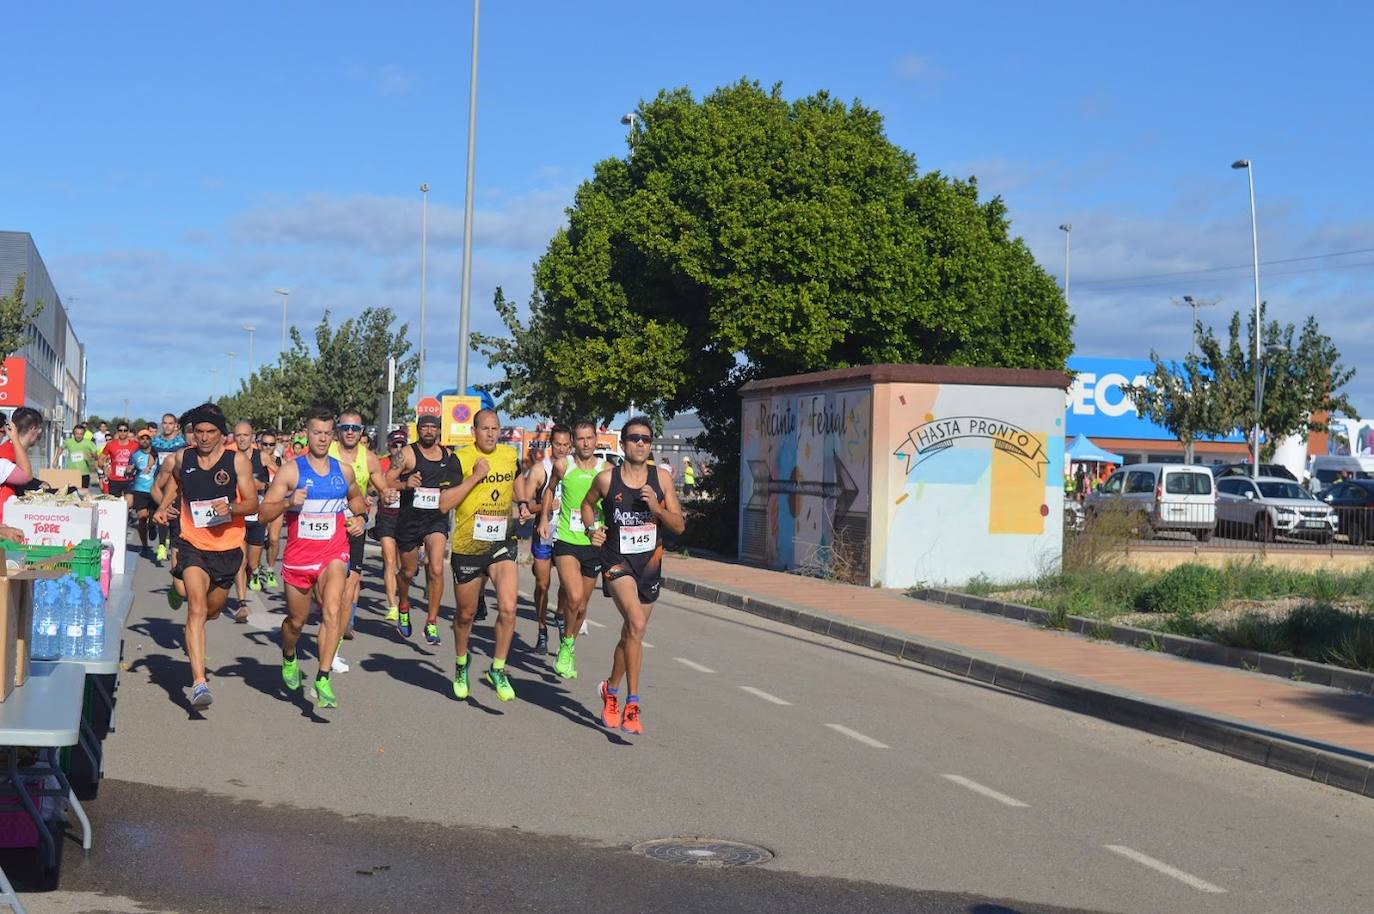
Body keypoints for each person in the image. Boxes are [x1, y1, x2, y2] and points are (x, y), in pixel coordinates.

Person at [256, 406, 367, 710]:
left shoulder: (342, 471)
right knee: (296, 621)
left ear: (332, 436)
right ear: (307, 433)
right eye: (316, 432)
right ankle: (289, 656)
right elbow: (264, 513)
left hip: (333, 553)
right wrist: (289, 501)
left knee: (332, 610)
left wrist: (360, 517)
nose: (321, 438)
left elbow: (357, 498)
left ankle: (322, 676)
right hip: (298, 558)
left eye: (326, 433)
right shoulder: (292, 470)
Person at [152, 403, 259, 711]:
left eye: (211, 432)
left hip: (226, 549)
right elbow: (173, 489)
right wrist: (163, 509)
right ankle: (199, 683)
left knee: (212, 611)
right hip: (192, 544)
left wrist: (231, 509)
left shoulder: (236, 461)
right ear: (192, 433)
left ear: (221, 434)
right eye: (199, 431)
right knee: (196, 610)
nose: (204, 437)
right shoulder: (182, 458)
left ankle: (178, 589)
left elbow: (251, 503)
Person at [587, 417, 686, 735]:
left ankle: (609, 691)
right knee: (637, 624)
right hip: (616, 561)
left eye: (646, 438)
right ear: (622, 443)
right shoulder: (606, 479)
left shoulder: (662, 479)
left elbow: (679, 526)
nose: (641, 443)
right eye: (634, 438)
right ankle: (632, 704)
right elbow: (587, 505)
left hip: (650, 564)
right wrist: (593, 530)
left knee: (632, 633)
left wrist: (657, 509)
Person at [444, 409, 520, 701]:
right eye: (485, 428)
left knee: (509, 608)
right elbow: (444, 504)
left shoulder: (510, 456)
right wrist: (475, 477)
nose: (490, 433)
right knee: (465, 615)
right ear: (473, 431)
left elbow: (519, 488)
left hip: (502, 543)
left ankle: (498, 668)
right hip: (468, 545)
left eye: (495, 428)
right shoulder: (460, 459)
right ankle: (461, 663)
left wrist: (531, 497)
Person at [540, 420, 608, 681]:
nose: (586, 443)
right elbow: (549, 490)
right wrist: (545, 519)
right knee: (575, 595)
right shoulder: (563, 465)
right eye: (580, 439)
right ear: (574, 442)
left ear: (596, 439)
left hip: (594, 543)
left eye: (590, 438)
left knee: (581, 608)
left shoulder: (606, 470)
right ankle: (567, 647)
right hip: (567, 540)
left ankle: (567, 646)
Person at [385, 414, 461, 642]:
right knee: (408, 572)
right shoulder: (406, 454)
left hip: (436, 520)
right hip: (409, 519)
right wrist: (405, 484)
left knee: (437, 568)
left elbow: (456, 487)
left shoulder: (449, 456)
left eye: (433, 427)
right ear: (418, 430)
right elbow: (387, 479)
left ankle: (431, 622)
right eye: (424, 427)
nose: (429, 431)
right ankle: (404, 605)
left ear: (439, 431)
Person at [328, 409, 387, 648]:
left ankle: (341, 632)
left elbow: (382, 486)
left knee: (350, 581)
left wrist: (388, 492)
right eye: (345, 428)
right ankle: (332, 615)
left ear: (361, 431)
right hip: (327, 525)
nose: (350, 432)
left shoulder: (369, 458)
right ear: (338, 430)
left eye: (355, 428)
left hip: (355, 524)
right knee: (328, 585)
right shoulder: (327, 451)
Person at [517, 424, 571, 656]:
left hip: (568, 533)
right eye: (557, 444)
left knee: (567, 586)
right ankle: (542, 629)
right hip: (544, 532)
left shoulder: (576, 468)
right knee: (542, 583)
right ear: (551, 444)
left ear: (571, 445)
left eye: (565, 444)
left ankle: (559, 613)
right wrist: (545, 506)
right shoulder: (541, 469)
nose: (561, 448)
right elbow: (527, 504)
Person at [375, 429, 408, 623]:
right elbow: (372, 485)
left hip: (406, 518)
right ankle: (392, 605)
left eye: (402, 445)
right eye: (394, 445)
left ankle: (402, 598)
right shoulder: (382, 463)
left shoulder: (411, 463)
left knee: (404, 566)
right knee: (389, 561)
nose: (398, 448)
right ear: (388, 446)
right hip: (386, 516)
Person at [150, 414, 188, 561]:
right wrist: (148, 467)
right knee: (162, 512)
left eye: (170, 423)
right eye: (164, 423)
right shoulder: (156, 441)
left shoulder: (182, 442)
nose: (167, 426)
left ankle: (173, 543)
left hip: (176, 482)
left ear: (176, 426)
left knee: (174, 513)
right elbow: (152, 456)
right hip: (160, 480)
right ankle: (161, 545)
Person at [0, 408, 42, 510]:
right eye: (2, 431)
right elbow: (26, 477)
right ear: (33, 428)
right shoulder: (6, 454)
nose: (5, 434)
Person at [129, 428, 159, 556]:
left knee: (152, 518)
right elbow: (129, 469)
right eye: (142, 438)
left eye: (147, 438)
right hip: (139, 489)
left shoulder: (156, 453)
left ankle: (152, 527)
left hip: (154, 489)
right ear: (138, 440)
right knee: (142, 517)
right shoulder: (135, 455)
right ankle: (145, 545)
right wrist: (129, 470)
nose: (145, 440)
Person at [258, 430, 283, 589]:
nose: (267, 447)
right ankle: (254, 569)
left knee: (273, 539)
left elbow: (286, 476)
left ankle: (270, 569)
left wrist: (271, 464)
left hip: (276, 504)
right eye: (264, 444)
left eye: (271, 444)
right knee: (258, 540)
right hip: (259, 503)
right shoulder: (253, 459)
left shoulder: (279, 461)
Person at [100, 422, 140, 511]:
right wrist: (104, 467)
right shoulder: (111, 445)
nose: (123, 433)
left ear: (128, 432)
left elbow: (142, 458)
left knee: (129, 503)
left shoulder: (135, 445)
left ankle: (125, 517)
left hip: (129, 479)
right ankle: (118, 520)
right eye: (120, 430)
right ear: (117, 432)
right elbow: (101, 458)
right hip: (114, 479)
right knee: (115, 505)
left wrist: (135, 467)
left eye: (125, 430)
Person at [57, 423, 100, 489]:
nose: (79, 436)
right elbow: (61, 448)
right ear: (74, 434)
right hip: (71, 473)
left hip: (84, 473)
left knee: (83, 494)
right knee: (71, 494)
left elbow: (96, 457)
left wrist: (93, 456)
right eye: (77, 434)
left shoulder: (89, 443)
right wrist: (56, 459)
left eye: (81, 434)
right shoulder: (69, 442)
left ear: (84, 434)